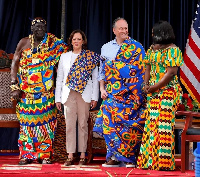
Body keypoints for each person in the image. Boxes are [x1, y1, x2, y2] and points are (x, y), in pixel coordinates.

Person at [10, 17, 68, 165]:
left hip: (46, 94)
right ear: (32, 29)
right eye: (37, 27)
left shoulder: (52, 43)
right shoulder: (24, 42)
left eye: (43, 26)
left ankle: (45, 155)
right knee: (27, 126)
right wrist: (14, 85)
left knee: (47, 125)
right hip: (26, 94)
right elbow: (15, 62)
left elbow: (65, 57)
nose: (40, 29)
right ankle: (26, 155)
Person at [93, 17, 147, 168]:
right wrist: (102, 89)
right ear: (114, 30)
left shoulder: (136, 47)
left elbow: (141, 72)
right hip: (112, 93)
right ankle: (113, 158)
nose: (124, 31)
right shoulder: (105, 48)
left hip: (131, 94)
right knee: (109, 124)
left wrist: (137, 93)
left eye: (126, 28)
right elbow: (102, 71)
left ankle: (129, 159)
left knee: (129, 127)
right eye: (121, 28)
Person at [137, 21, 183, 171]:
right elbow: (147, 68)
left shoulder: (173, 50)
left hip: (169, 91)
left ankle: (163, 164)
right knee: (151, 125)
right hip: (153, 91)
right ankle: (149, 162)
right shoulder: (152, 50)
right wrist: (145, 85)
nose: (152, 35)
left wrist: (155, 87)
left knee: (163, 125)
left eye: (154, 32)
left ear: (162, 33)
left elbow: (171, 73)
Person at [55, 29, 100, 166]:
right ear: (71, 41)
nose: (76, 41)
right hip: (68, 95)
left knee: (82, 125)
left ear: (83, 41)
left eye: (79, 39)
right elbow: (60, 78)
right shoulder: (64, 57)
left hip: (84, 95)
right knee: (69, 125)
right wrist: (58, 98)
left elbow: (95, 78)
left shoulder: (89, 57)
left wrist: (94, 97)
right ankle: (70, 155)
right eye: (74, 39)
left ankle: (82, 155)